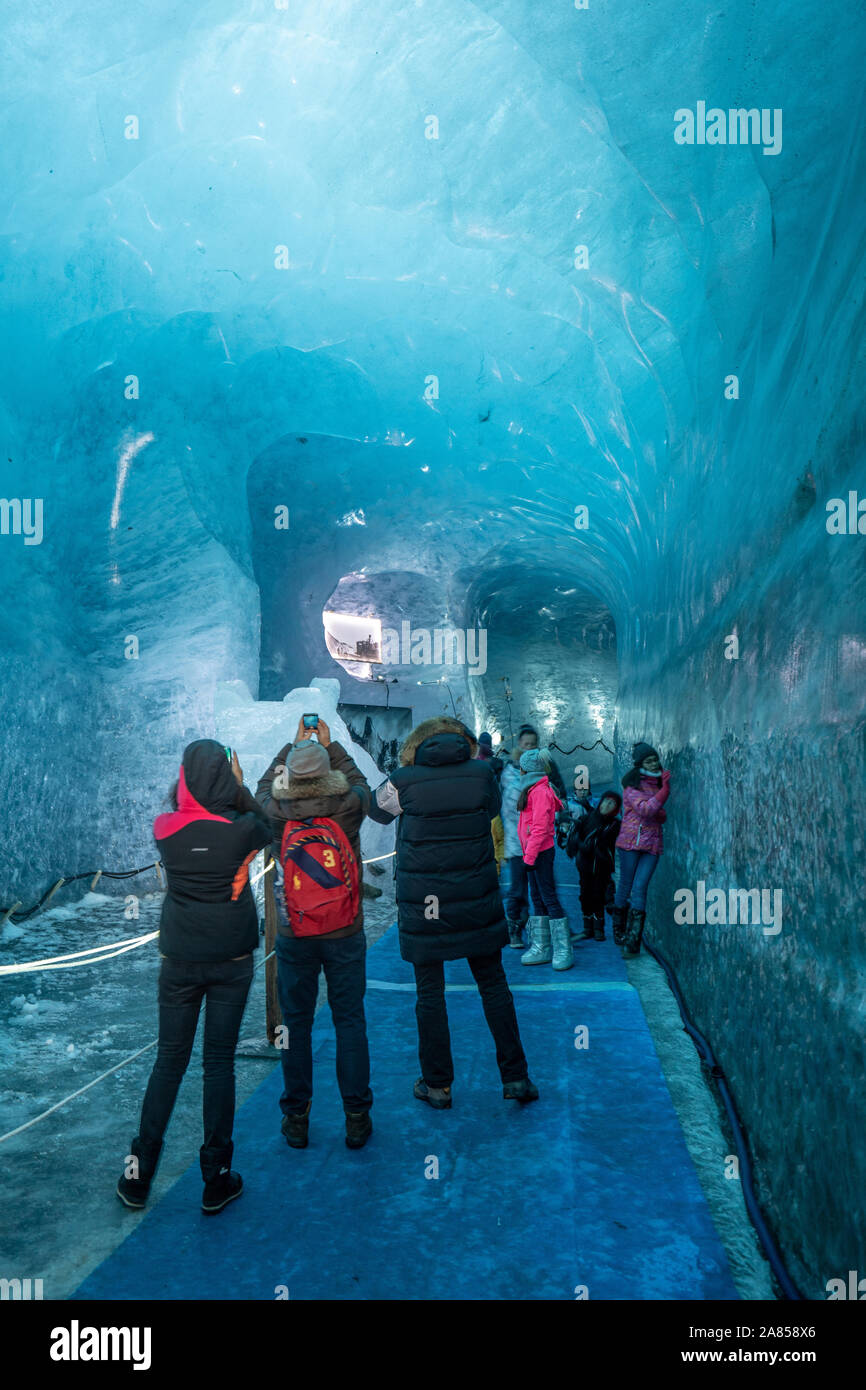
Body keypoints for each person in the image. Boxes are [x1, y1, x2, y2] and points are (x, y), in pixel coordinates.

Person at [116, 741, 274, 1215]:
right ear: (224, 778)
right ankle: (216, 1178)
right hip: (231, 961)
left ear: (184, 777)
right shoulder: (242, 831)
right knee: (218, 1064)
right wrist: (240, 784)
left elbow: (191, 819)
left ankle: (139, 1175)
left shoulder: (164, 829)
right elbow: (266, 823)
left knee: (169, 1062)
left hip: (180, 959)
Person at [368, 716, 538, 1107]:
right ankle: (515, 1078)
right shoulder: (481, 774)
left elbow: (376, 811)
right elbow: (493, 809)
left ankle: (438, 1085)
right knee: (494, 987)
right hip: (476, 901)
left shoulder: (404, 779)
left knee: (430, 995)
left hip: (425, 907)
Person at [256, 717, 373, 1150]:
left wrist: (290, 747)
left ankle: (297, 1119)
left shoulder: (275, 812)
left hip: (294, 934)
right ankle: (357, 1116)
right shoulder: (347, 805)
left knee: (296, 1025)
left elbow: (262, 789)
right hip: (345, 929)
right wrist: (333, 746)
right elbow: (361, 783)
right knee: (349, 1020)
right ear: (329, 773)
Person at [612, 742, 671, 956]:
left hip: (652, 844)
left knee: (640, 888)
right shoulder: (631, 788)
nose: (654, 763)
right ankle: (619, 930)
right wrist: (664, 792)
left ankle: (633, 941)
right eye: (649, 760)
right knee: (626, 885)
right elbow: (646, 809)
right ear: (639, 765)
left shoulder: (656, 785)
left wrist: (660, 808)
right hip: (630, 843)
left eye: (655, 759)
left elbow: (657, 812)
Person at [517, 749, 572, 970]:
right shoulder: (532, 789)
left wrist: (529, 857)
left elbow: (539, 828)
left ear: (527, 769)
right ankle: (541, 945)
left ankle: (562, 948)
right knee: (537, 896)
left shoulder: (540, 791)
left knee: (548, 897)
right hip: (533, 851)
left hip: (540, 852)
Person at [566, 791, 622, 941]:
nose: (607, 805)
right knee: (585, 895)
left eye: (612, 803)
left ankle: (599, 928)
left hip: (602, 866)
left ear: (616, 808)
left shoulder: (614, 824)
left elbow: (600, 840)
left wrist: (585, 844)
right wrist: (578, 841)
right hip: (585, 864)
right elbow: (577, 838)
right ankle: (587, 927)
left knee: (598, 895)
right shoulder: (587, 818)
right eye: (606, 801)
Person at [500, 744, 529, 946]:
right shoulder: (510, 780)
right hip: (518, 845)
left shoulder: (538, 778)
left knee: (534, 889)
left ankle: (528, 926)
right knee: (517, 888)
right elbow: (514, 812)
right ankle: (514, 930)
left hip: (536, 845)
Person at [516, 722, 568, 802]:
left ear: (537, 744)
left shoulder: (546, 762)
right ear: (520, 743)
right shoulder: (514, 766)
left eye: (532, 744)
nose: (529, 747)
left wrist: (561, 801)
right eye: (526, 744)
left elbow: (557, 783)